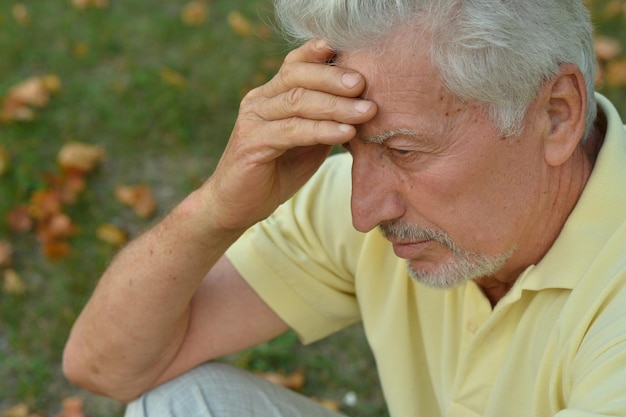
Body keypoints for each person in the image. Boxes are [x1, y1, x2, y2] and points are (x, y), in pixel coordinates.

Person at [63, 0, 626, 416]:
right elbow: (106, 366)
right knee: (179, 405)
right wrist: (214, 210)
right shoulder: (368, 204)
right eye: (349, 148)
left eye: (403, 149)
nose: (364, 210)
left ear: (555, 114)